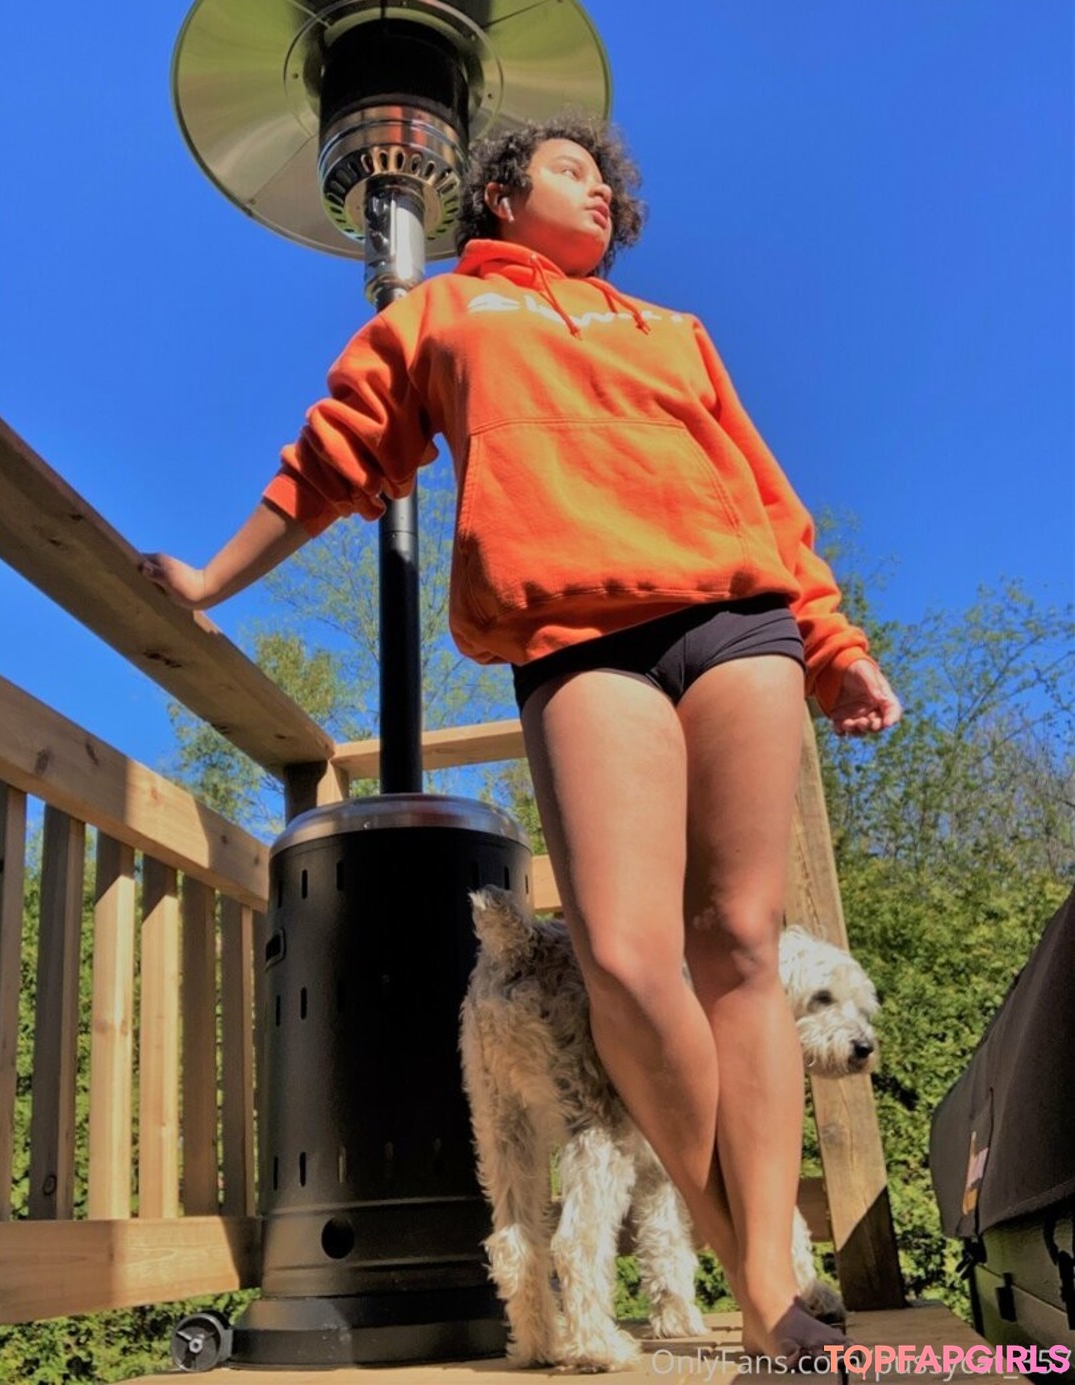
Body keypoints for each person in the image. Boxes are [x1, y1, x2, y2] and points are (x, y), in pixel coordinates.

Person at [142, 114, 901, 1366]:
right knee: (625, 955)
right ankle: (743, 1248)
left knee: (740, 938)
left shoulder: (672, 330)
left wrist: (831, 641)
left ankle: (772, 1287)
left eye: (609, 186)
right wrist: (213, 580)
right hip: (576, 636)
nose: (599, 195)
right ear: (500, 193)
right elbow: (337, 452)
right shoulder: (445, 314)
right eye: (571, 173)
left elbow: (769, 501)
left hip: (737, 622)